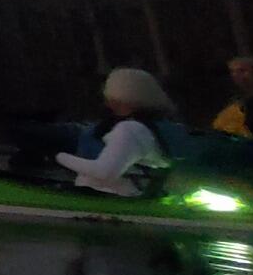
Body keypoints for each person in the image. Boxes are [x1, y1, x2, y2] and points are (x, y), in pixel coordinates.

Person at [56, 68, 173, 196]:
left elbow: (104, 172)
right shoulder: (150, 125)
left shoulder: (131, 129)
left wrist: (59, 156)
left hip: (112, 192)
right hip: (112, 190)